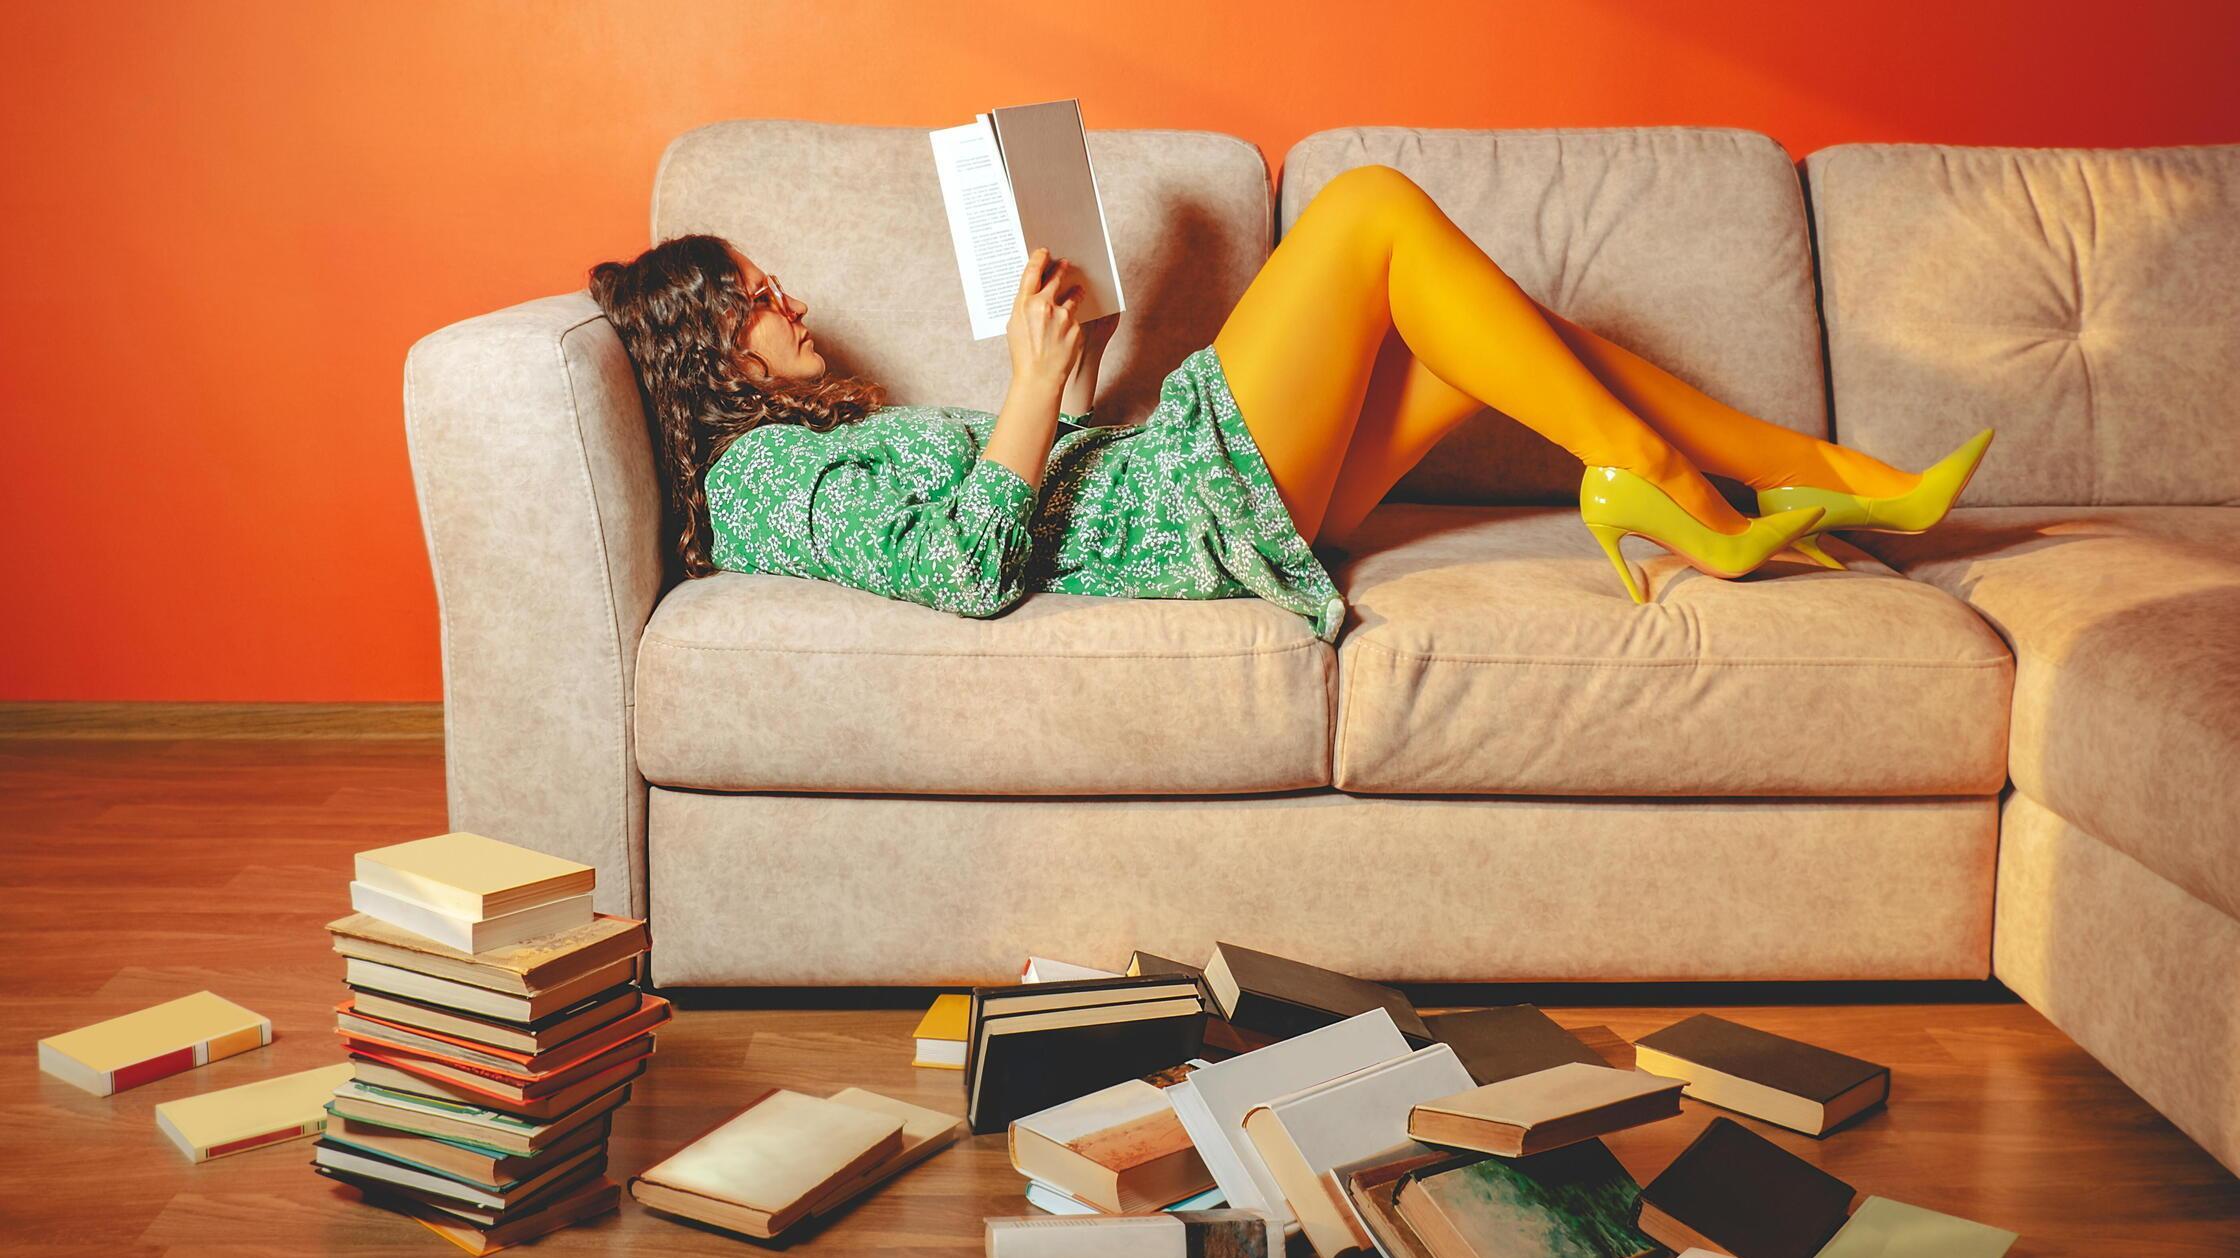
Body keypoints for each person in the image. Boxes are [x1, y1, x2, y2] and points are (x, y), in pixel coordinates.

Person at [588, 164, 1992, 639]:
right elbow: (964, 570)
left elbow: (975, 504)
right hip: (1171, 510)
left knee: (1497, 344)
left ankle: (1828, 476)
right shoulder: (754, 482)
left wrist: (1058, 385)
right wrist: (1027, 390)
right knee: (1370, 206)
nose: (795, 303)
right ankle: (1675, 492)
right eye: (760, 297)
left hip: (1150, 481)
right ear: (707, 345)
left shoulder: (806, 446)